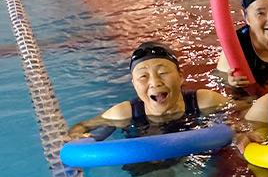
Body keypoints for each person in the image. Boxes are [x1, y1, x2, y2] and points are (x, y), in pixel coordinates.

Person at [70, 41, 228, 139]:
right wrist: (77, 134)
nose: (155, 83)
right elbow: (82, 126)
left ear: (181, 76)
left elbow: (238, 110)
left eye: (163, 73)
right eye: (143, 76)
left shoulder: (205, 101)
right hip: (147, 164)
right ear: (134, 84)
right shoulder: (124, 113)